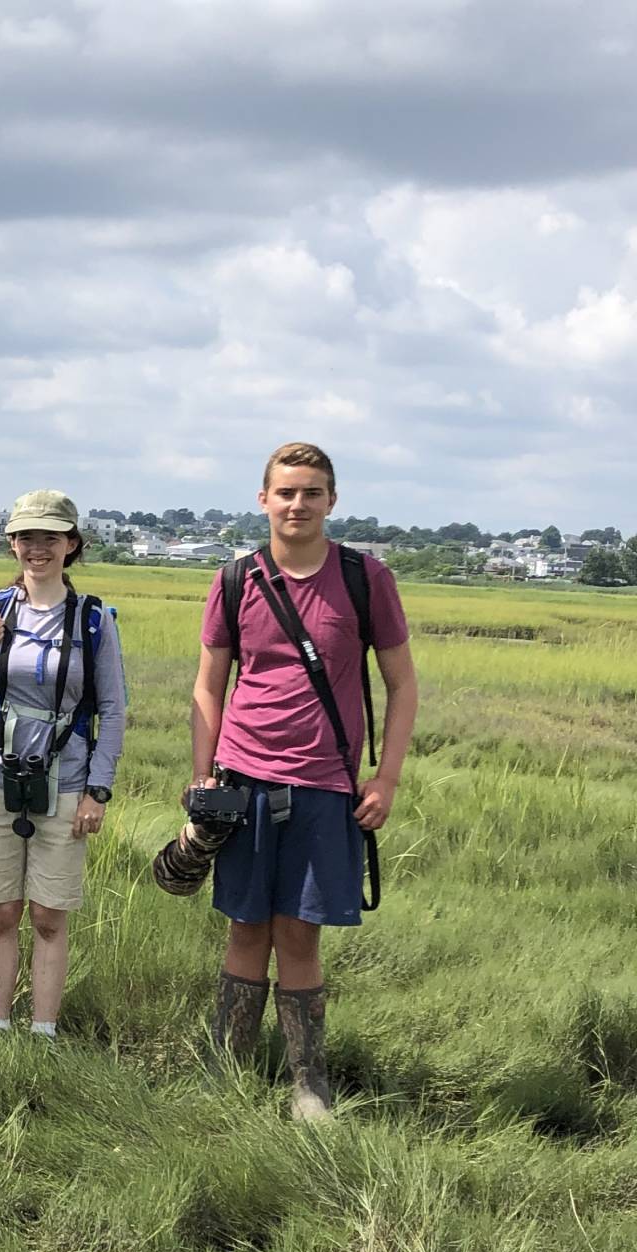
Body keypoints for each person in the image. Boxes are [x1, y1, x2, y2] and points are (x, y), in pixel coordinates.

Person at [193, 441, 417, 1119]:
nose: (298, 504)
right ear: (263, 499)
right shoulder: (235, 581)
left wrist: (387, 778)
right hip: (243, 779)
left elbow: (402, 684)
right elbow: (208, 687)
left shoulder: (363, 577)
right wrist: (202, 780)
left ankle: (307, 1082)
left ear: (331, 501)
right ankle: (226, 1071)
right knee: (244, 928)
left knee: (300, 934)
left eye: (311, 492)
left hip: (325, 785)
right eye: (286, 492)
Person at [0, 490, 126, 1040]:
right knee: (1, 911)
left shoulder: (93, 619)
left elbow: (114, 709)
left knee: (50, 916)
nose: (38, 548)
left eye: (50, 537)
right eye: (27, 537)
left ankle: (43, 1031)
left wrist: (99, 790)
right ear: (12, 545)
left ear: (72, 544)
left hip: (67, 783)